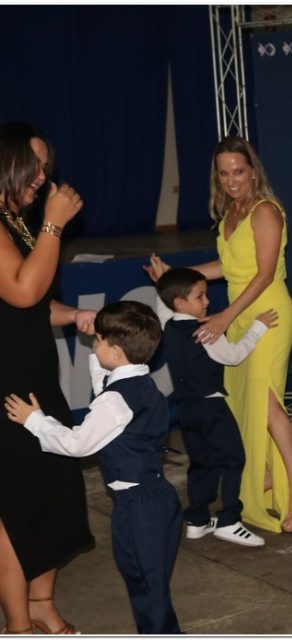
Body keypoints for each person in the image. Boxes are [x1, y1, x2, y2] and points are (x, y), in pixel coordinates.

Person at [145, 136, 292, 534]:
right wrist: (174, 277)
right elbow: (228, 267)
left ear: (253, 171)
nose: (232, 180)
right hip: (238, 314)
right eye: (224, 173)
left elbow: (265, 273)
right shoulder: (230, 215)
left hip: (268, 314)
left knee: (267, 405)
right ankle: (266, 476)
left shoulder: (265, 211)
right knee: (243, 404)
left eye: (238, 171)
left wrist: (225, 315)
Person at [5, 301, 183, 633]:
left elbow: (77, 444)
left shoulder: (116, 401)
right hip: (158, 499)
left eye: (98, 340)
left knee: (147, 588)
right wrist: (98, 356)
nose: (93, 343)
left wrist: (35, 421)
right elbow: (108, 393)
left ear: (116, 351)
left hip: (138, 509)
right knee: (151, 583)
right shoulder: (142, 386)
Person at [0, 121, 95, 635]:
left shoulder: (17, 224)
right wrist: (54, 224)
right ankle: (18, 624)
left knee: (53, 492)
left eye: (46, 168)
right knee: (15, 506)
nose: (42, 176)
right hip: (6, 390)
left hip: (34, 378)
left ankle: (40, 603)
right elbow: (21, 290)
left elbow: (33, 306)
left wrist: (76, 315)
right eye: (33, 165)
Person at [156, 267, 279, 547]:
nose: (208, 302)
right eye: (200, 296)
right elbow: (234, 356)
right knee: (232, 460)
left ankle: (198, 521)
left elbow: (163, 307)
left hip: (186, 411)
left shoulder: (169, 326)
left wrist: (161, 280)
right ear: (180, 302)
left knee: (201, 463)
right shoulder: (207, 331)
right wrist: (257, 327)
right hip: (212, 409)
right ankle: (229, 521)